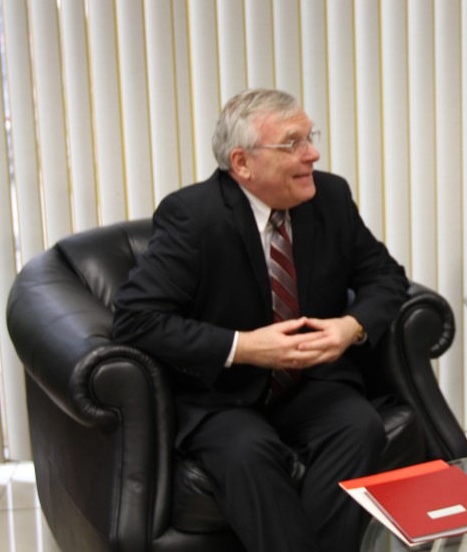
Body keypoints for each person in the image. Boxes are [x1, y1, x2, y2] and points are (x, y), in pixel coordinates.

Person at [113, 88, 409, 551]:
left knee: (359, 426)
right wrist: (243, 347)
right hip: (222, 396)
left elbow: (385, 276)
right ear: (242, 162)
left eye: (310, 138)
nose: (312, 154)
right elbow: (135, 319)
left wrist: (350, 327)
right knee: (247, 453)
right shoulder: (193, 217)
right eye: (292, 143)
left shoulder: (330, 197)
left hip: (309, 382)